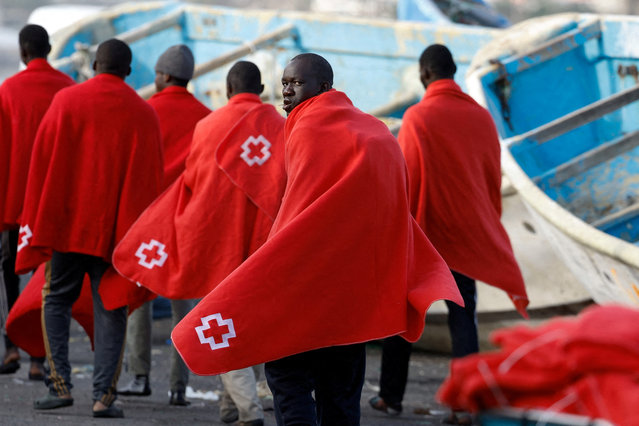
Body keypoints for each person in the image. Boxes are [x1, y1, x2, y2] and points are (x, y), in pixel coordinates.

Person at [169, 53, 463, 426]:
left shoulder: (307, 130)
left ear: (324, 86)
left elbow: (295, 218)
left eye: (296, 84)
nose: (287, 94)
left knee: (288, 380)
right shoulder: (377, 133)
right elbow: (390, 214)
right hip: (353, 298)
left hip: (304, 289)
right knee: (340, 394)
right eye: (284, 85)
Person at [112, 60, 286, 426]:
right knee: (247, 324)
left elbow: (194, 184)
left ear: (227, 89)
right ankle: (229, 406)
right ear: (262, 91)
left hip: (217, 243)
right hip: (265, 245)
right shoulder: (281, 128)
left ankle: (248, 411)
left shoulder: (209, 126)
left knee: (219, 324)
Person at [368, 44, 529, 422]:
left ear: (425, 75)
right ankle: (466, 404)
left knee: (403, 317)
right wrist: (486, 221)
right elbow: (491, 176)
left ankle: (390, 398)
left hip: (426, 236)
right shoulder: (481, 117)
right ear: (452, 71)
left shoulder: (419, 117)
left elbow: (403, 180)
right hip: (467, 236)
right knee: (463, 318)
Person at [15, 38, 163, 418]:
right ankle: (103, 398)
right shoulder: (143, 113)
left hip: (67, 228)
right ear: (128, 71)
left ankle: (59, 386)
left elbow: (42, 162)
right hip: (116, 235)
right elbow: (150, 185)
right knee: (111, 309)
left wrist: (36, 220)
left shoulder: (67, 101)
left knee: (55, 300)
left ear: (95, 65)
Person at [117, 44, 210, 407]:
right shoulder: (206, 117)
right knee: (183, 304)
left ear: (164, 76)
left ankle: (138, 377)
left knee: (138, 299)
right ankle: (178, 385)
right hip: (186, 223)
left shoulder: (145, 111)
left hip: (147, 224)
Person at [0, 24, 74, 380]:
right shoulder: (69, 89)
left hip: (15, 200)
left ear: (23, 53)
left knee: (10, 270)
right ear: (48, 50)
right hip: (53, 201)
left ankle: (11, 345)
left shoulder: (8, 89)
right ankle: (37, 358)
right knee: (47, 278)